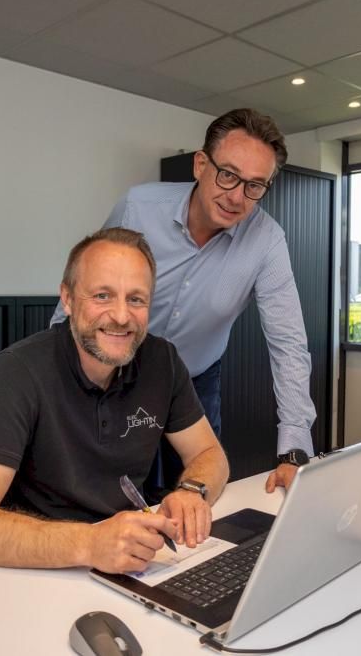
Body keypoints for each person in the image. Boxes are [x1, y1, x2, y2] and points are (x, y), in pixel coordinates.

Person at [51, 108, 315, 493]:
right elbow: (85, 283)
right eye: (228, 175)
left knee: (198, 490)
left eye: (255, 186)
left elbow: (288, 344)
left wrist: (293, 450)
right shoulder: (139, 207)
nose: (237, 197)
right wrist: (57, 370)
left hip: (195, 379)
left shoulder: (267, 240)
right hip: (115, 371)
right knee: (106, 492)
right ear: (200, 164)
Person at [0, 227, 229, 574]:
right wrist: (90, 544)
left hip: (129, 559)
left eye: (136, 299)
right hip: (36, 567)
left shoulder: (162, 360)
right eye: (103, 296)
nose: (121, 316)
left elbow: (209, 453)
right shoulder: (18, 370)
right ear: (67, 298)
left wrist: (192, 491)